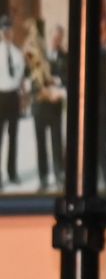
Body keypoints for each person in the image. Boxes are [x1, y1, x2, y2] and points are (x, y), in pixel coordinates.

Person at [26, 18, 63, 189]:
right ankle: (43, 178)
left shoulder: (65, 56)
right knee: (40, 144)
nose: (56, 40)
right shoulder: (34, 54)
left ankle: (59, 175)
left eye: (59, 38)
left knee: (56, 143)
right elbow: (30, 78)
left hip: (54, 107)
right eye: (54, 37)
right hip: (39, 107)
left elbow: (68, 80)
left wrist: (59, 85)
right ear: (49, 36)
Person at [0, 15, 24, 187]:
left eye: (9, 30)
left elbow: (19, 76)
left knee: (13, 137)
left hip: (13, 97)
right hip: (0, 96)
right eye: (4, 30)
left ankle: (12, 172)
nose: (7, 33)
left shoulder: (17, 53)